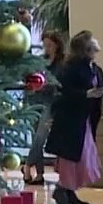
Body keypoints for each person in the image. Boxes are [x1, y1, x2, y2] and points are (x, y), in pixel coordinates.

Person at [45, 30, 103, 204]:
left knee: (82, 156)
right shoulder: (71, 67)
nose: (96, 42)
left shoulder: (95, 69)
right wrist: (85, 94)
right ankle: (63, 189)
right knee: (71, 157)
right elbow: (63, 91)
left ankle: (69, 190)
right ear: (85, 47)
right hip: (70, 119)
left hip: (86, 119)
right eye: (91, 39)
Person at [23, 31, 66, 185]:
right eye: (45, 45)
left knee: (41, 135)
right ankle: (39, 173)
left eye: (49, 45)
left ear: (57, 45)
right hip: (36, 101)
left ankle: (27, 165)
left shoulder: (62, 64)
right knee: (36, 136)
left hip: (51, 103)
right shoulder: (40, 61)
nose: (46, 48)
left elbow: (60, 84)